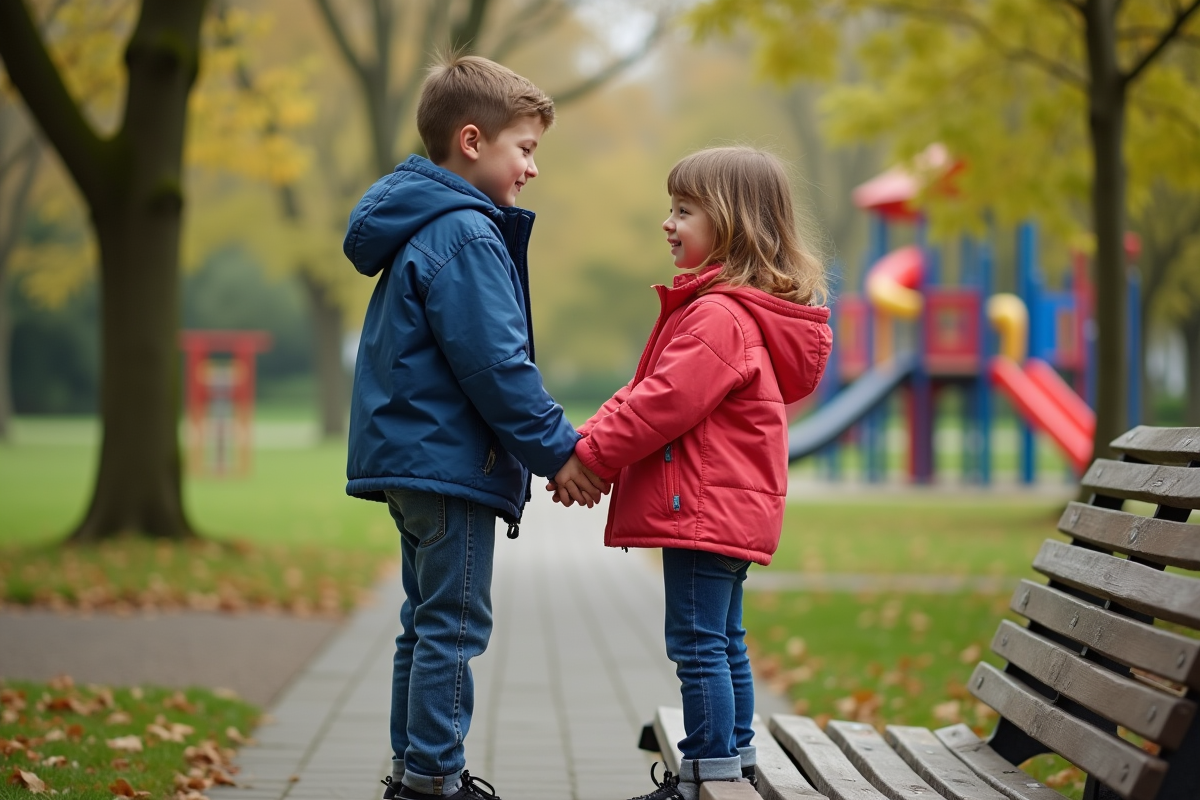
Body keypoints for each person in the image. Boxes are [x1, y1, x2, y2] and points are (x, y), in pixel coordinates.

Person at [342, 54, 607, 800]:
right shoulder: (466, 234)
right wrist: (559, 452)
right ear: (471, 140)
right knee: (455, 625)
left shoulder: (422, 225)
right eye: (524, 148)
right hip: (447, 466)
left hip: (415, 462)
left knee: (424, 623)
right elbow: (497, 368)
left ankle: (413, 772)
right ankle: (435, 779)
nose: (532, 168)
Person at [558, 146, 833, 800]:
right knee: (722, 638)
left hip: (702, 511)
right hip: (721, 509)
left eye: (684, 210)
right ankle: (733, 761)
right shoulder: (725, 309)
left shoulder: (719, 316)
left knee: (698, 642)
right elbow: (645, 391)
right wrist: (585, 443)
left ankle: (708, 773)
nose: (668, 223)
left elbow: (661, 405)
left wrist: (589, 458)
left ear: (731, 222)